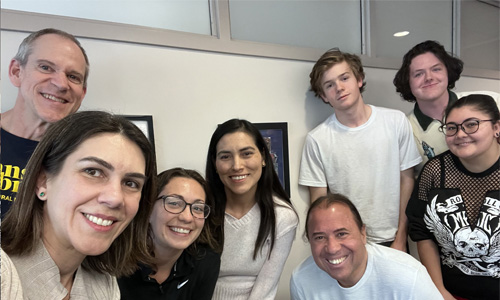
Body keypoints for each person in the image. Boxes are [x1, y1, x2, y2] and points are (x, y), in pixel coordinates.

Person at [1, 111, 157, 299]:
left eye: (131, 183)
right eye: (93, 171)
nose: (115, 198)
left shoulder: (104, 282)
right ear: (42, 181)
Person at [299, 48, 421, 251]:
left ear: (359, 80)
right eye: (329, 85)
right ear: (323, 96)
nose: (339, 88)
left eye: (344, 78)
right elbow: (320, 203)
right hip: (345, 242)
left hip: (392, 239)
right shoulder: (317, 139)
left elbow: (407, 180)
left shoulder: (395, 121)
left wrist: (401, 236)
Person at [406, 94, 500, 300]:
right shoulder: (434, 172)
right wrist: (438, 290)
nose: (460, 134)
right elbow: (422, 233)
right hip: (449, 292)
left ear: (496, 127)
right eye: (451, 128)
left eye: (471, 124)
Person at [1, 28, 90, 218]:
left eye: (73, 77)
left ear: (82, 94)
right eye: (45, 67)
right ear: (16, 72)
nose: (61, 84)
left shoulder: (83, 159)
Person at [205, 118, 298, 300]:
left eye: (246, 154)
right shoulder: (199, 210)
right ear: (215, 164)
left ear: (263, 157)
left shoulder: (282, 217)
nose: (237, 166)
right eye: (225, 156)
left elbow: (266, 286)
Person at [290, 193, 443, 300]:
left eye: (341, 234)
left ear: (363, 233)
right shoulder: (301, 280)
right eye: (320, 237)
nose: (332, 248)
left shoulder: (408, 276)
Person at [393, 40, 499, 174]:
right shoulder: (405, 128)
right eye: (418, 74)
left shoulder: (492, 101)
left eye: (436, 69)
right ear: (408, 82)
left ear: (448, 72)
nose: (429, 77)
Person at [118, 168, 221, 299]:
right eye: (174, 203)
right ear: (148, 210)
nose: (187, 217)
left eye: (197, 208)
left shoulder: (205, 262)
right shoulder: (115, 262)